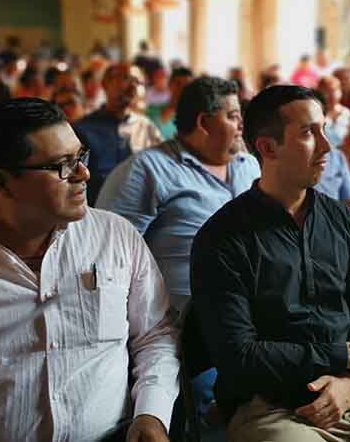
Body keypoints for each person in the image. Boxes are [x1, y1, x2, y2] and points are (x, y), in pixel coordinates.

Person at [0, 99, 179, 442]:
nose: (83, 174)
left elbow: (155, 335)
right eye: (62, 165)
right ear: (0, 182)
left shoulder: (115, 238)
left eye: (80, 157)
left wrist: (151, 414)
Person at [190, 86, 350, 442]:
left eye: (323, 129)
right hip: (275, 408)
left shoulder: (339, 218)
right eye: (307, 133)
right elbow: (239, 355)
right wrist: (345, 356)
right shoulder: (223, 237)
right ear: (268, 148)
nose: (326, 146)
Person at [97, 76, 260, 312]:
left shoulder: (250, 167)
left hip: (251, 317)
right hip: (178, 326)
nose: (242, 125)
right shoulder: (147, 170)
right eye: (233, 117)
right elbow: (110, 258)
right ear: (204, 122)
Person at [74, 63, 163, 204]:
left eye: (138, 82)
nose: (133, 86)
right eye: (126, 78)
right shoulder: (83, 129)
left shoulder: (146, 127)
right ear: (105, 83)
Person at [145, 66, 194, 140]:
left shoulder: (194, 117)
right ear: (170, 84)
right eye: (178, 84)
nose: (182, 89)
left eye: (187, 86)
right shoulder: (151, 110)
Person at [316, 76, 350, 149]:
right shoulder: (316, 112)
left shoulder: (347, 113)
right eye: (327, 91)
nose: (331, 94)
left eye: (334, 90)